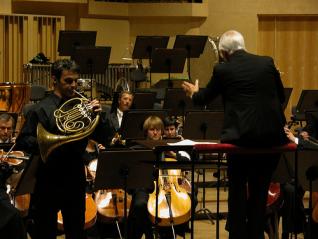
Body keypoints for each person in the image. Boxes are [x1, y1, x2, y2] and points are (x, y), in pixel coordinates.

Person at [182, 30, 288, 239]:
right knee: (259, 193)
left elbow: (204, 98)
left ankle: (238, 235)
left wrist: (194, 93)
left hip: (241, 141)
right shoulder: (267, 62)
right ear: (243, 45)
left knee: (237, 193)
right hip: (270, 140)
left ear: (223, 52)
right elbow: (282, 96)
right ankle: (256, 234)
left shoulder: (223, 69)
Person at [14, 59, 107, 239]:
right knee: (45, 231)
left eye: (76, 81)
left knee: (76, 231)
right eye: (68, 81)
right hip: (48, 178)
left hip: (75, 176)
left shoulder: (83, 106)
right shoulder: (39, 109)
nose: (73, 86)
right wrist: (50, 142)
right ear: (54, 80)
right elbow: (23, 141)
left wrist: (99, 116)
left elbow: (104, 138)